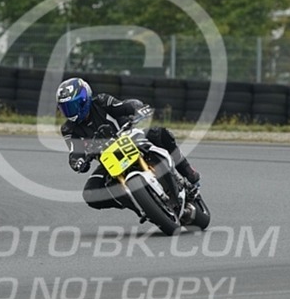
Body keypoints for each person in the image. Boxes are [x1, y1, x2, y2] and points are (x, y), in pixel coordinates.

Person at [56, 77, 200, 212]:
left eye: (73, 106)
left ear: (84, 99)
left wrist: (138, 108)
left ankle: (188, 172)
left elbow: (124, 106)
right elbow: (74, 152)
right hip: (109, 161)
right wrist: (78, 162)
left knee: (160, 133)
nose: (71, 112)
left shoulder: (101, 101)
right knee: (90, 194)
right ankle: (140, 206)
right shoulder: (68, 129)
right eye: (66, 108)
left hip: (129, 138)